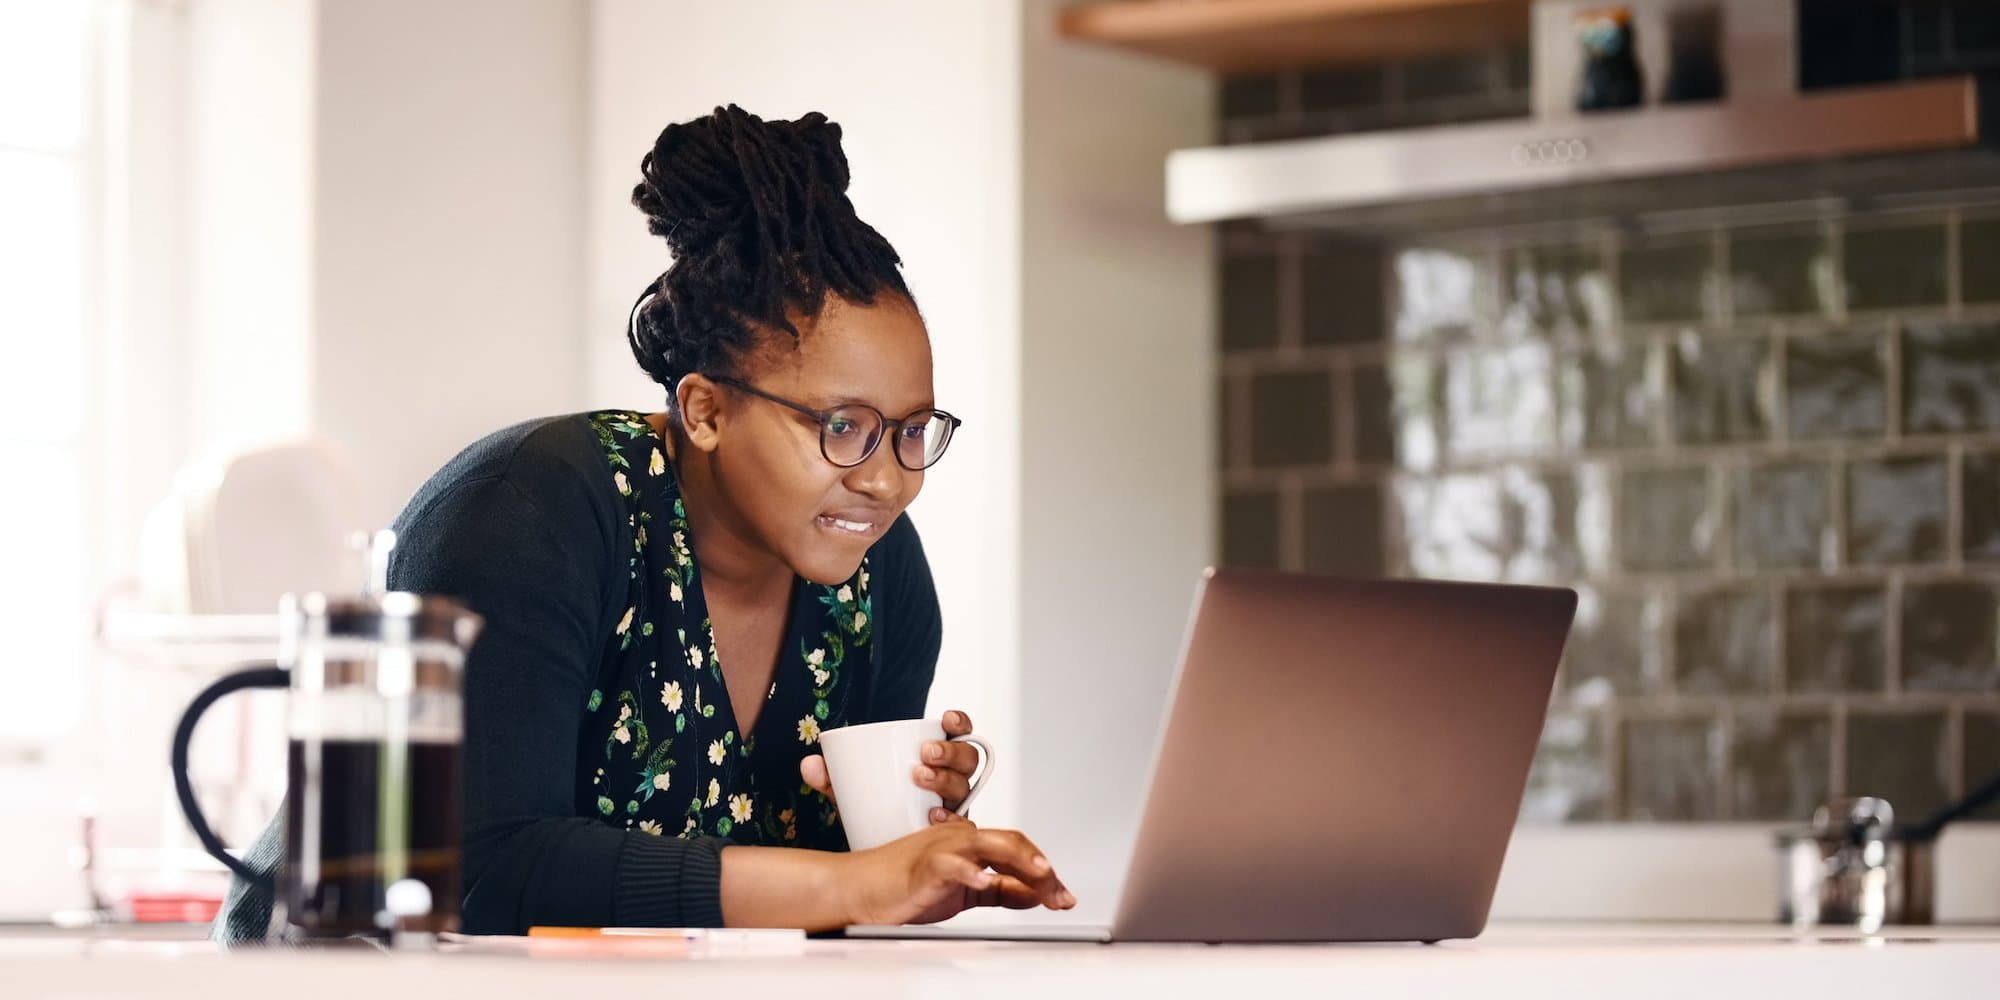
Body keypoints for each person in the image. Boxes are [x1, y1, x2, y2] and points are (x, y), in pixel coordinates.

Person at [214, 105, 1072, 939]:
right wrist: (854, 882)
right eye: (842, 427)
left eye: (912, 431)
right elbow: (479, 871)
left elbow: (822, 914)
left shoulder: (881, 574)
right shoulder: (529, 511)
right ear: (705, 410)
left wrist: (901, 844)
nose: (886, 481)